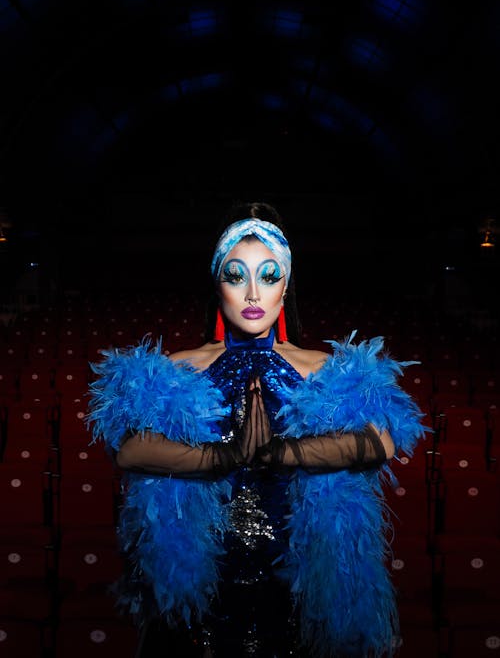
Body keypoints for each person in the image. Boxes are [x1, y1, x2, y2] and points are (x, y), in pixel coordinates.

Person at [87, 201, 428, 658]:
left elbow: (381, 443)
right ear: (217, 284)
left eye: (268, 276)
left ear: (285, 288)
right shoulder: (176, 368)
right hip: (201, 573)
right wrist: (219, 459)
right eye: (235, 275)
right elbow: (127, 451)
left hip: (298, 574)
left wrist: (282, 454)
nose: (252, 294)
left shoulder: (324, 368)